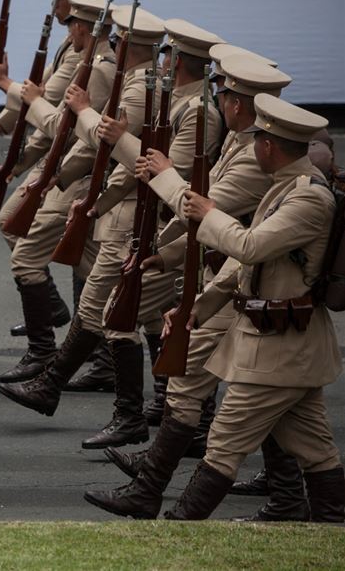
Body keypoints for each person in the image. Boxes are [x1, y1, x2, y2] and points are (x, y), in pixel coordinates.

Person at [82, 56, 299, 520]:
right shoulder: (239, 146)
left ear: (236, 104)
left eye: (223, 94)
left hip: (234, 282)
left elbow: (202, 209)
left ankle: (149, 490)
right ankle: (288, 496)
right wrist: (169, 255)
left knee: (189, 391)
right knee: (276, 400)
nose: (219, 99)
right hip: (228, 279)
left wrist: (162, 174)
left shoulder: (252, 159)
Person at [0, 19, 225, 451]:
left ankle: (126, 413)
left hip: (162, 229)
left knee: (116, 314)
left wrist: (107, 146)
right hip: (142, 221)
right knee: (139, 316)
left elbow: (161, 176)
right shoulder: (172, 100)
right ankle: (152, 407)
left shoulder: (196, 113)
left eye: (167, 55)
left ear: (175, 61)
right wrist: (97, 201)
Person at [162, 94, 343, 522]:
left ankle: (179, 526)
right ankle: (334, 521)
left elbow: (249, 246)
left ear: (268, 146)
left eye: (257, 141)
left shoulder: (308, 198)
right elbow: (247, 266)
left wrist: (208, 213)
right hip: (285, 344)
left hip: (279, 348)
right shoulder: (285, 188)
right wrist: (201, 307)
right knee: (316, 448)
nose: (254, 147)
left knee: (223, 444)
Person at [0, 0, 114, 386]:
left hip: (76, 171)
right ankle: (73, 334)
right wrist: (4, 136)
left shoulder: (99, 63)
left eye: (62, 2)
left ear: (79, 11)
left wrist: (6, 85)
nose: (56, 9)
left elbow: (57, 119)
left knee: (50, 254)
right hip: (56, 163)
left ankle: (49, 350)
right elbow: (42, 104)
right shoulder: (70, 50)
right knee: (76, 256)